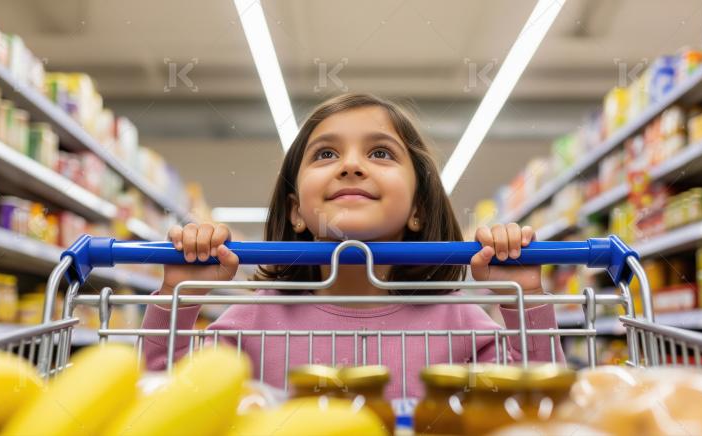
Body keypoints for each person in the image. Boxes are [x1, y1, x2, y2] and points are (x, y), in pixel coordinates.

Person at [142, 93, 564, 400]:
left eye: (380, 152)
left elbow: (539, 406)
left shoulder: (461, 321)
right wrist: (180, 296)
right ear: (296, 212)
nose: (351, 165)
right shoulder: (251, 320)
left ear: (418, 207)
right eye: (325, 154)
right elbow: (165, 403)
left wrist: (524, 298)